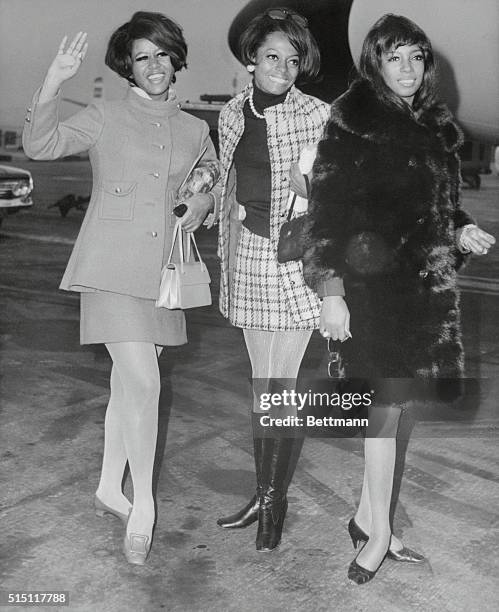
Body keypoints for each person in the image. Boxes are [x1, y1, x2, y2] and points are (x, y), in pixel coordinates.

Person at [303, 13, 495, 584]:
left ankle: (366, 517)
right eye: (395, 57)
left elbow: (439, 209)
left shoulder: (437, 127)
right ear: (374, 63)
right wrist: (332, 292)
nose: (407, 68)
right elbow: (326, 216)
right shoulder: (352, 122)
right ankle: (381, 533)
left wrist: (461, 231)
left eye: (416, 56)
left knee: (396, 406)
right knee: (382, 412)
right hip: (370, 290)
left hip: (424, 295)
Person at [23, 11, 219, 565]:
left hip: (164, 273)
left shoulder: (193, 128)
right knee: (146, 384)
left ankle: (110, 487)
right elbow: (41, 145)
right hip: (110, 268)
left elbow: (208, 177)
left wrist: (200, 200)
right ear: (127, 67)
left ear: (175, 58)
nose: (153, 65)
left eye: (161, 54)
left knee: (128, 388)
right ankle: (145, 505)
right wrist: (55, 80)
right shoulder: (104, 114)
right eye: (141, 57)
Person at [216, 8, 333, 551]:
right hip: (247, 260)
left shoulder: (319, 115)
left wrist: (306, 190)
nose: (283, 69)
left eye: (291, 61)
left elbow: (334, 197)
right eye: (271, 58)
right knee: (261, 383)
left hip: (293, 260)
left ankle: (273, 505)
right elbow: (228, 178)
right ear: (250, 60)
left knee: (278, 387)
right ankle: (264, 494)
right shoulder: (232, 114)